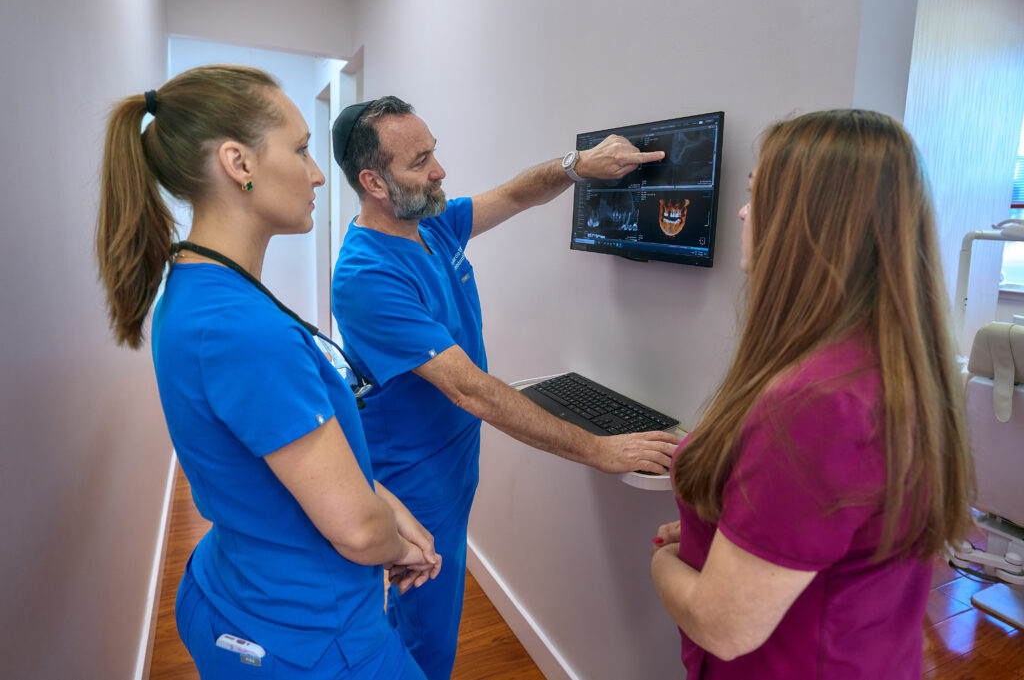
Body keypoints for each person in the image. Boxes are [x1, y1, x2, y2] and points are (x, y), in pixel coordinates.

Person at [95, 65, 442, 679]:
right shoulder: (243, 331)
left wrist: (390, 509)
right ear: (239, 162)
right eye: (303, 149)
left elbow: (303, 467)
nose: (315, 173)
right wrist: (400, 544)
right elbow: (358, 534)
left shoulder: (200, 288)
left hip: (238, 591)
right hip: (310, 638)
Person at [329, 96, 682, 679]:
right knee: (426, 640)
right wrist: (597, 448)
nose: (439, 170)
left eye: (434, 152)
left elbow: (518, 195)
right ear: (374, 181)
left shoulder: (430, 224)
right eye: (420, 162)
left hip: (452, 459)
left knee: (421, 623)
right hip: (411, 476)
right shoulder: (368, 275)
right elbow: (472, 391)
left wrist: (575, 165)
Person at [649, 109, 974, 679]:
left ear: (816, 221)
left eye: (758, 195)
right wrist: (716, 532)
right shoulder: (890, 364)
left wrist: (667, 561)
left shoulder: (815, 405)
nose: (744, 212)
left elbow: (723, 625)